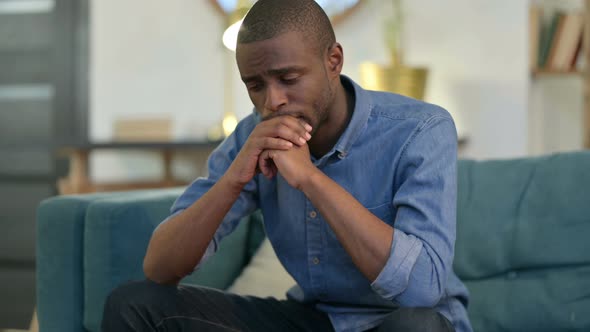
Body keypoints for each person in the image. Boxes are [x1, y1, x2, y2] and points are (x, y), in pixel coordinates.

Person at [101, 0, 472, 331]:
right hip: (313, 320)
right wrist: (234, 179)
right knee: (136, 305)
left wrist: (310, 178)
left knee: (417, 327)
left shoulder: (421, 129)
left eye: (288, 79)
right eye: (255, 85)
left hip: (401, 321)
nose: (272, 101)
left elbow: (423, 290)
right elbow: (159, 269)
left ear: (333, 61)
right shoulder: (253, 134)